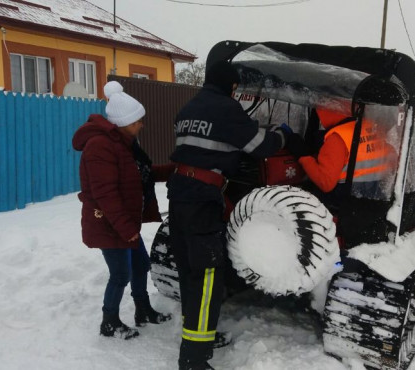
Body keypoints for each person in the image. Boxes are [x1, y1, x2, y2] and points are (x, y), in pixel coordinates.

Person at [167, 60, 288, 370]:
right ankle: (193, 360)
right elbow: (260, 147)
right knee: (207, 275)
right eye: (235, 88)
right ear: (231, 87)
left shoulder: (189, 108)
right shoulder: (226, 109)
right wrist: (283, 136)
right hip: (203, 200)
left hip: (179, 195)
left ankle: (199, 337)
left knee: (189, 272)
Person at [72, 81, 172, 340]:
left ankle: (143, 310)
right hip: (108, 222)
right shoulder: (100, 147)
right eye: (138, 120)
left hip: (124, 222)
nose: (141, 125)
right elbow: (106, 194)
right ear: (124, 121)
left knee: (140, 265)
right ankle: (110, 321)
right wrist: (127, 229)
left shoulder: (125, 144)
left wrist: (176, 169)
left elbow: (141, 174)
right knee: (120, 274)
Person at [287, 108, 396, 205]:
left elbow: (325, 183)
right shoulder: (369, 127)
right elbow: (391, 155)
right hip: (372, 199)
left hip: (344, 204)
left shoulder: (338, 138)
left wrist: (303, 156)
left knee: (298, 194)